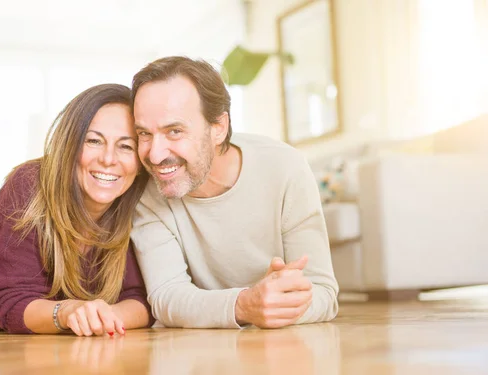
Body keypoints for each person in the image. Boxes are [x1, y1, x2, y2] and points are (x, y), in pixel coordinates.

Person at [129, 56, 339, 329]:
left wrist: (277, 304)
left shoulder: (286, 168)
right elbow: (167, 297)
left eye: (174, 131)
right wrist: (244, 305)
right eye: (144, 134)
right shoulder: (147, 191)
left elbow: (322, 291)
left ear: (218, 128)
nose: (154, 155)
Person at [0, 84, 154, 336]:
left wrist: (100, 317)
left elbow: (142, 300)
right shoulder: (28, 186)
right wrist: (68, 312)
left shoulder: (139, 200)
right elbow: (11, 303)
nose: (109, 159)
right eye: (94, 141)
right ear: (70, 146)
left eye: (126, 146)